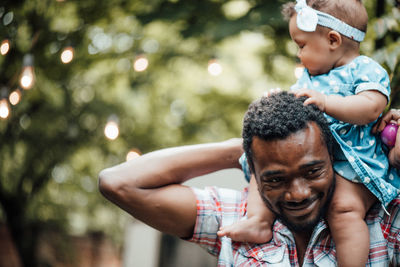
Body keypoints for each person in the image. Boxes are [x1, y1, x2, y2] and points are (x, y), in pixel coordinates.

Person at [99, 92, 400, 266]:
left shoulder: (383, 219)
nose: (297, 193)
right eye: (275, 179)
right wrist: (242, 150)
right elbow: (119, 183)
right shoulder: (235, 220)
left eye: (312, 172)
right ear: (253, 173)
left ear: (333, 157)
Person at [217, 1, 400, 266]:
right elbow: (295, 106)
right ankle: (258, 221)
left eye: (301, 45)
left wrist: (327, 103)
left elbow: (371, 108)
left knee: (343, 211)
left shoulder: (364, 69)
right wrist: (277, 101)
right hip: (317, 160)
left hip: (355, 166)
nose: (299, 54)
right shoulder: (309, 79)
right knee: (264, 165)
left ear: (333, 40)